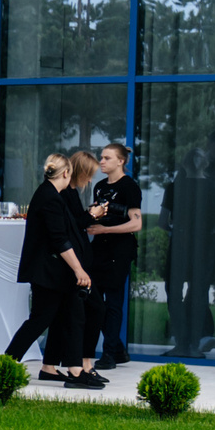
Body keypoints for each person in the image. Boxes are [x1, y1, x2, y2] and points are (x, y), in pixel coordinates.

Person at [3, 153, 102, 387]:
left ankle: (69, 369)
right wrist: (79, 270)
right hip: (48, 272)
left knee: (65, 316)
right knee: (42, 319)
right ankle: (7, 363)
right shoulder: (50, 198)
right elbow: (60, 240)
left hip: (52, 271)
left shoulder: (49, 195)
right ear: (66, 173)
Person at [81, 141, 143, 365]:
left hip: (120, 249)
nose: (102, 162)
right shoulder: (99, 186)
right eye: (102, 157)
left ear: (121, 161)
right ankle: (116, 347)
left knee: (114, 301)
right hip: (99, 248)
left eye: (107, 158)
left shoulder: (129, 187)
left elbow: (136, 224)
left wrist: (105, 228)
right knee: (94, 299)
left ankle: (109, 353)